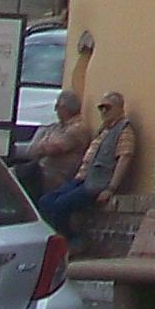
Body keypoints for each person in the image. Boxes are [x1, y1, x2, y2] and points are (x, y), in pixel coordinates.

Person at [39, 90, 135, 234]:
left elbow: (124, 159)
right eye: (101, 108)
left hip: (96, 183)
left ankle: (72, 240)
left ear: (119, 108)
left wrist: (110, 189)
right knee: (45, 201)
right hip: (83, 178)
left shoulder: (124, 130)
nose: (103, 111)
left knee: (60, 205)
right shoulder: (104, 130)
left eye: (107, 107)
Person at [19, 93, 92, 199]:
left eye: (57, 106)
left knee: (17, 177)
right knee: (12, 174)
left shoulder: (78, 129)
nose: (55, 110)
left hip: (56, 176)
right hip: (39, 170)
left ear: (65, 108)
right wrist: (43, 147)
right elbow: (31, 150)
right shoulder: (55, 127)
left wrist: (43, 146)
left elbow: (53, 149)